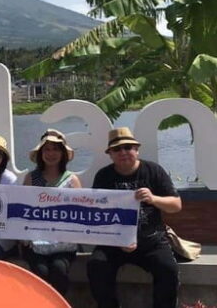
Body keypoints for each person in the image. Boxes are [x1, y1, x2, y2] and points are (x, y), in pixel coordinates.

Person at [87, 127, 182, 308]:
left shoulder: (154, 171)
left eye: (128, 147)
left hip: (151, 241)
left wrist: (154, 199)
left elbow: (176, 205)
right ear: (110, 154)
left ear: (136, 150)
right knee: (96, 265)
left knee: (168, 270)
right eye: (117, 149)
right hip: (113, 244)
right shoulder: (103, 176)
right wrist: (118, 239)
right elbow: (97, 214)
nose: (123, 152)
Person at [22, 128, 82, 296]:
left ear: (62, 153)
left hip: (63, 243)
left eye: (56, 149)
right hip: (35, 243)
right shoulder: (31, 178)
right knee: (40, 272)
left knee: (59, 269)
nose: (51, 153)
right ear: (41, 153)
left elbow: (80, 214)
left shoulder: (72, 180)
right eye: (47, 149)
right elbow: (23, 210)